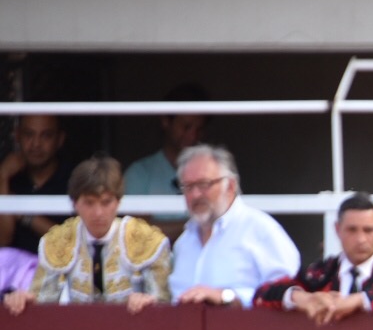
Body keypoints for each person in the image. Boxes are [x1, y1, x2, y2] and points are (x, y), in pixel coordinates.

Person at [4, 155, 170, 315]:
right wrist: (24, 300)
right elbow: (42, 305)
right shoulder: (57, 241)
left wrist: (149, 302)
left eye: (106, 202)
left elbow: (164, 305)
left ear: (118, 202)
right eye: (89, 203)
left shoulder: (146, 240)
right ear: (75, 203)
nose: (98, 213)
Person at [252, 192, 373, 323]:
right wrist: (303, 299)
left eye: (368, 230)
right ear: (337, 230)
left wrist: (358, 300)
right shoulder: (320, 273)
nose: (360, 239)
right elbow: (262, 295)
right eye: (352, 230)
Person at [171, 144, 299, 308]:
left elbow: (288, 294)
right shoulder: (184, 243)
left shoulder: (259, 229)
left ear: (230, 186)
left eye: (204, 184)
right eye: (188, 186)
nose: (195, 194)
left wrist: (226, 296)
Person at [123, 83, 208, 240]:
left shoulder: (211, 173)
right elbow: (138, 234)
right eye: (186, 127)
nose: (193, 136)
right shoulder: (139, 173)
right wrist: (196, 226)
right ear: (166, 121)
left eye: (199, 129)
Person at [0, 114, 71, 257]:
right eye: (29, 134)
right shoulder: (10, 179)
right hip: (14, 276)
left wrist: (23, 213)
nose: (36, 144)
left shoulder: (73, 180)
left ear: (60, 139)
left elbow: (72, 245)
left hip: (59, 274)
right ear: (17, 135)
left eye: (46, 136)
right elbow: (3, 242)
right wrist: (2, 177)